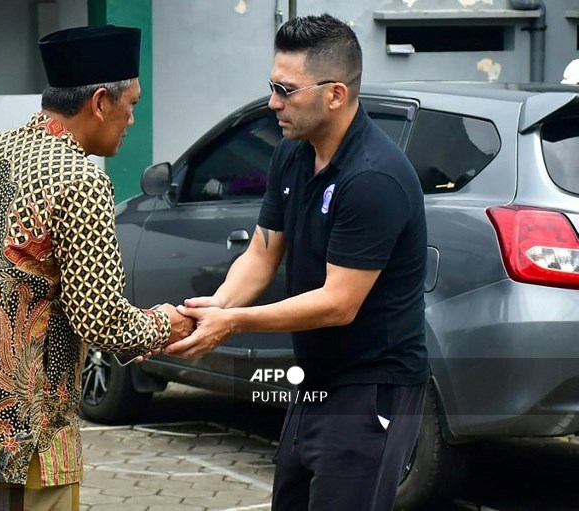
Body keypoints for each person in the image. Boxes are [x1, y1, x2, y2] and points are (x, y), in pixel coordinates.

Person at [0, 25, 193, 510]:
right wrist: (168, 324)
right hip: (23, 438)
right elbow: (100, 319)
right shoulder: (81, 179)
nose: (131, 120)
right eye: (131, 105)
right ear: (99, 102)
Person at [165, 14, 428, 511]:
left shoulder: (373, 179)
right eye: (272, 87)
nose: (273, 103)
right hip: (313, 379)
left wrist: (234, 323)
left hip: (372, 386)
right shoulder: (292, 153)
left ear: (335, 95)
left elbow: (338, 304)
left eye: (286, 90)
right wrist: (211, 311)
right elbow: (261, 254)